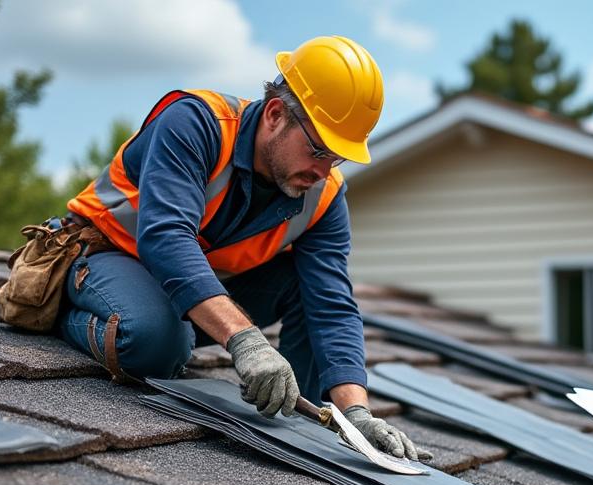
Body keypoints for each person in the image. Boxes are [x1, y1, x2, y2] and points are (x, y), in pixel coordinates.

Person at [39, 36, 425, 459]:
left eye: (336, 158)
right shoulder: (196, 123)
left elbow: (331, 304)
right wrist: (246, 342)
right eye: (317, 149)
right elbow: (165, 237)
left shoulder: (324, 196)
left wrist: (356, 412)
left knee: (306, 291)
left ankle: (299, 428)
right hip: (106, 257)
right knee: (156, 344)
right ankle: (72, 313)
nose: (322, 171)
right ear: (276, 114)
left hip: (188, 293)